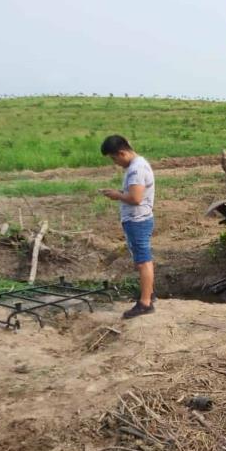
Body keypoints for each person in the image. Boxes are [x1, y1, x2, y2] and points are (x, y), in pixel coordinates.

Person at [99, 135, 156, 319]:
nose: (115, 163)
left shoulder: (136, 169)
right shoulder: (137, 164)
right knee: (143, 259)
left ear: (122, 153)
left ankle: (145, 304)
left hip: (138, 221)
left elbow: (136, 198)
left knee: (143, 260)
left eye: (114, 159)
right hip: (139, 219)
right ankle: (148, 295)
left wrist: (117, 195)